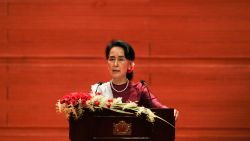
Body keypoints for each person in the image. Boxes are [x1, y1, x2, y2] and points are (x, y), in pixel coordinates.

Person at [91, 40, 179, 121]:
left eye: (121, 59)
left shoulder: (139, 90)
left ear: (129, 65)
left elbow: (159, 107)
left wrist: (171, 112)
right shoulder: (99, 90)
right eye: (112, 59)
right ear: (107, 63)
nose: (115, 64)